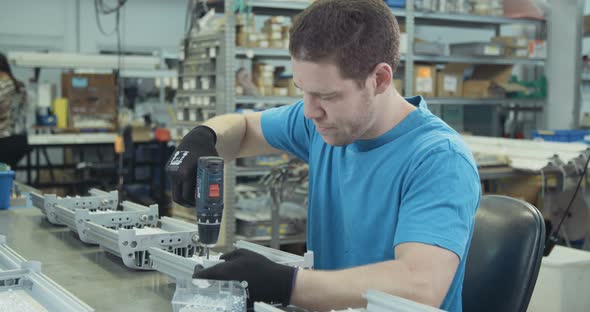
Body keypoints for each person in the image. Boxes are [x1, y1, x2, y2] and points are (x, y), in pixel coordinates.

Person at [166, 0, 481, 311]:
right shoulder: (323, 124)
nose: (309, 110)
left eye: (327, 95)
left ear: (380, 80)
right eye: (302, 89)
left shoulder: (440, 159)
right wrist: (203, 138)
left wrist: (285, 283)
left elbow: (420, 286)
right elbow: (245, 128)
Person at [0, 52, 30, 168]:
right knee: (7, 177)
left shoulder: (3, 85)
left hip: (4, 140)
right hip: (19, 139)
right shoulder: (19, 85)